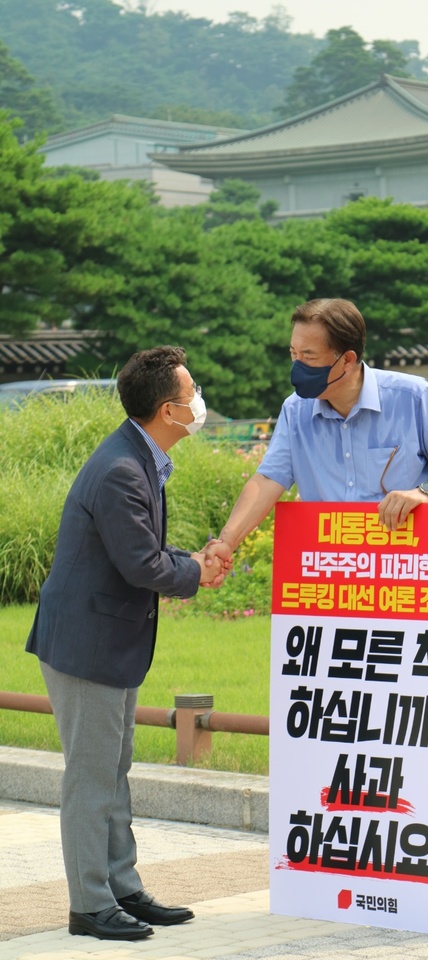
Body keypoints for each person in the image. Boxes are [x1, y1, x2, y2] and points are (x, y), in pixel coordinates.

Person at [209, 298, 428, 921]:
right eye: (293, 354)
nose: (296, 366)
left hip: (415, 594)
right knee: (349, 733)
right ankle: (364, 865)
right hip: (335, 600)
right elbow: (269, 480)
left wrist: (423, 492)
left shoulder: (411, 396)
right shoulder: (298, 410)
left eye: (309, 357)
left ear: (347, 359)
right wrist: (224, 545)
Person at [26, 346, 232, 942]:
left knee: (113, 770)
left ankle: (121, 886)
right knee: (91, 778)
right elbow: (141, 563)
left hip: (106, 639)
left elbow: (137, 551)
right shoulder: (122, 468)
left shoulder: (139, 456)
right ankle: (90, 904)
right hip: (87, 645)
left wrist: (191, 561)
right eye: (192, 394)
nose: (199, 402)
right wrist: (197, 571)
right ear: (169, 410)